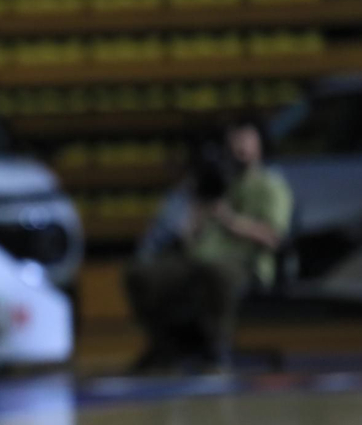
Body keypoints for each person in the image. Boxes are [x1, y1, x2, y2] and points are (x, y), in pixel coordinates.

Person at [126, 118, 294, 372]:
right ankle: (165, 346)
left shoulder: (270, 185)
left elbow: (273, 237)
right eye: (234, 139)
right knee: (142, 274)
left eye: (246, 138)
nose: (239, 146)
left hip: (245, 261)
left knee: (215, 272)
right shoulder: (215, 182)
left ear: (260, 143)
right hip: (198, 257)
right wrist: (194, 217)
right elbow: (188, 237)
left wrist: (231, 220)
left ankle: (218, 349)